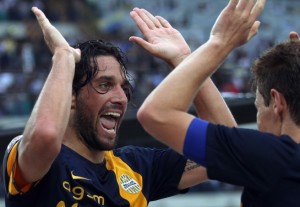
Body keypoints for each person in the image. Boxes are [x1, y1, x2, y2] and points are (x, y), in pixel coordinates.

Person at [2, 5, 237, 207]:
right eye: (105, 85)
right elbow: (45, 135)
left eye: (124, 88)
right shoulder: (33, 157)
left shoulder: (137, 167)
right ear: (71, 96)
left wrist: (185, 60)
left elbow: (228, 149)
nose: (121, 98)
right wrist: (63, 57)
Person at [137, 0, 300, 206]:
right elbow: (231, 146)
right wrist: (183, 58)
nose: (258, 119)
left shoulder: (278, 158)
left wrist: (220, 42)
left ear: (277, 103)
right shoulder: (272, 163)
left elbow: (156, 114)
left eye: (258, 107)